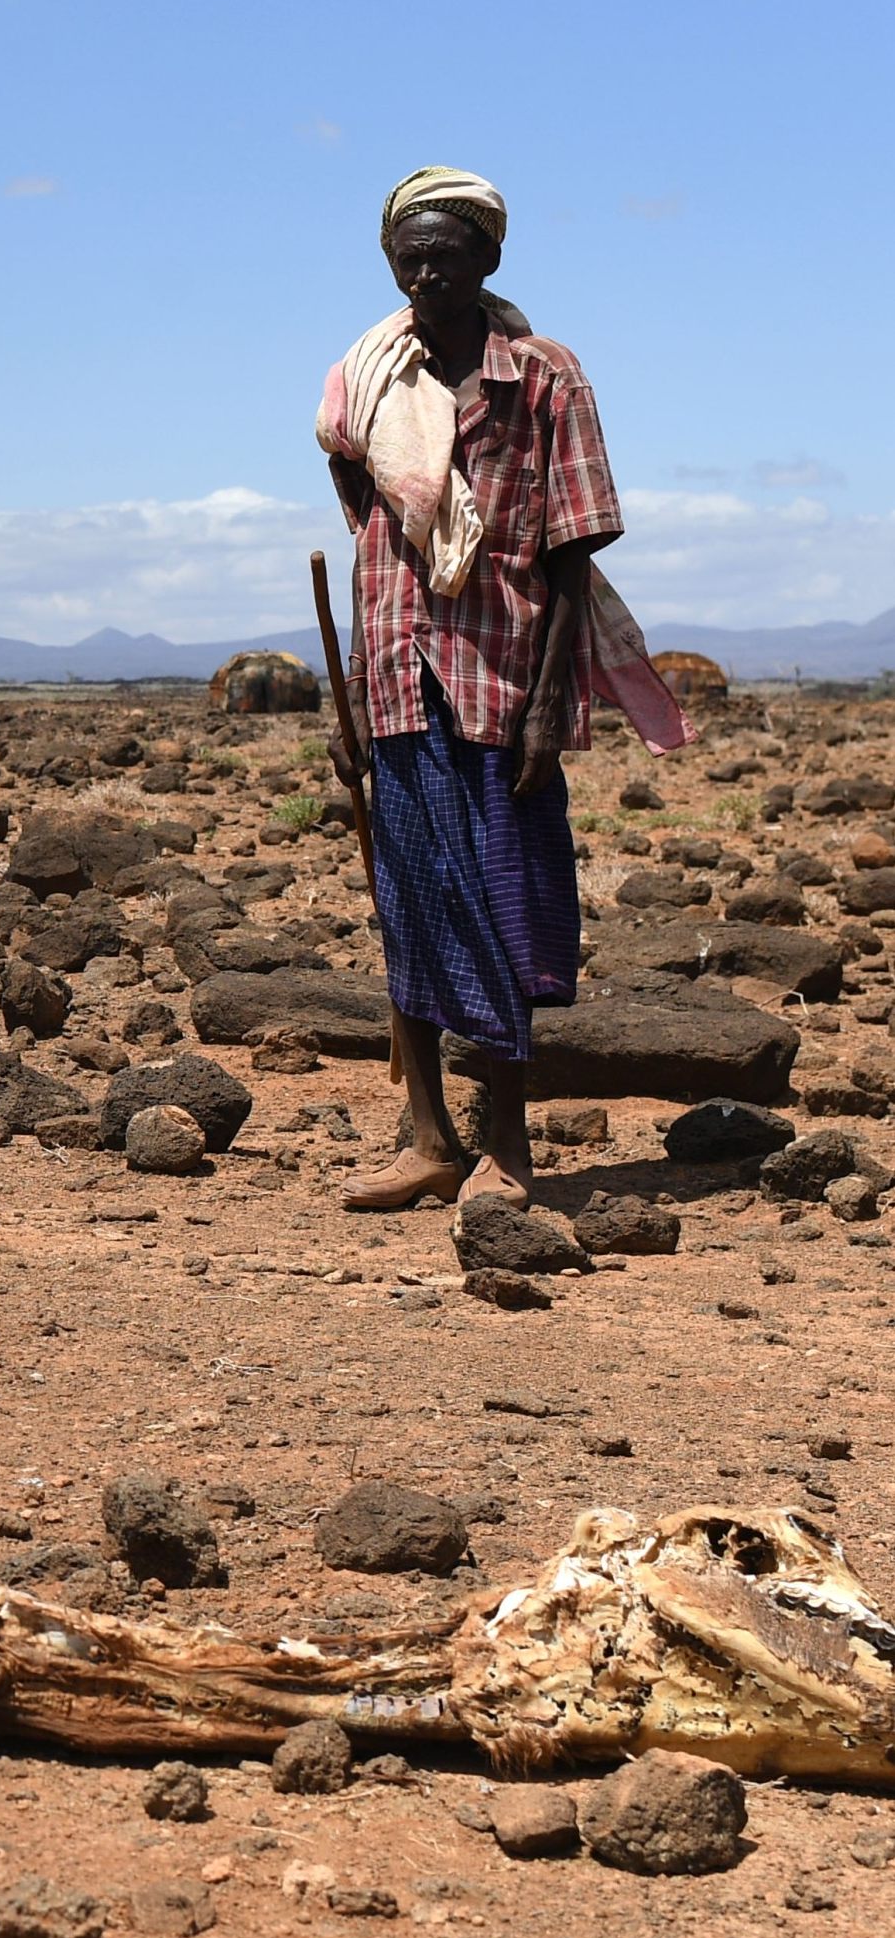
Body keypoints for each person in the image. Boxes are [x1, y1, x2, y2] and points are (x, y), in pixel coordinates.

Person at [315, 166, 692, 1211]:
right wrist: (346, 700)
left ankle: (508, 1147)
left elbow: (572, 559)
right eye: (409, 258)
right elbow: (370, 545)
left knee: (501, 908)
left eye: (447, 255)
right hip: (395, 684)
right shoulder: (366, 382)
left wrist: (542, 708)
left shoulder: (544, 377)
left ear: (488, 259)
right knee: (413, 908)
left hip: (500, 679)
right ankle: (428, 1136)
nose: (427, 274)